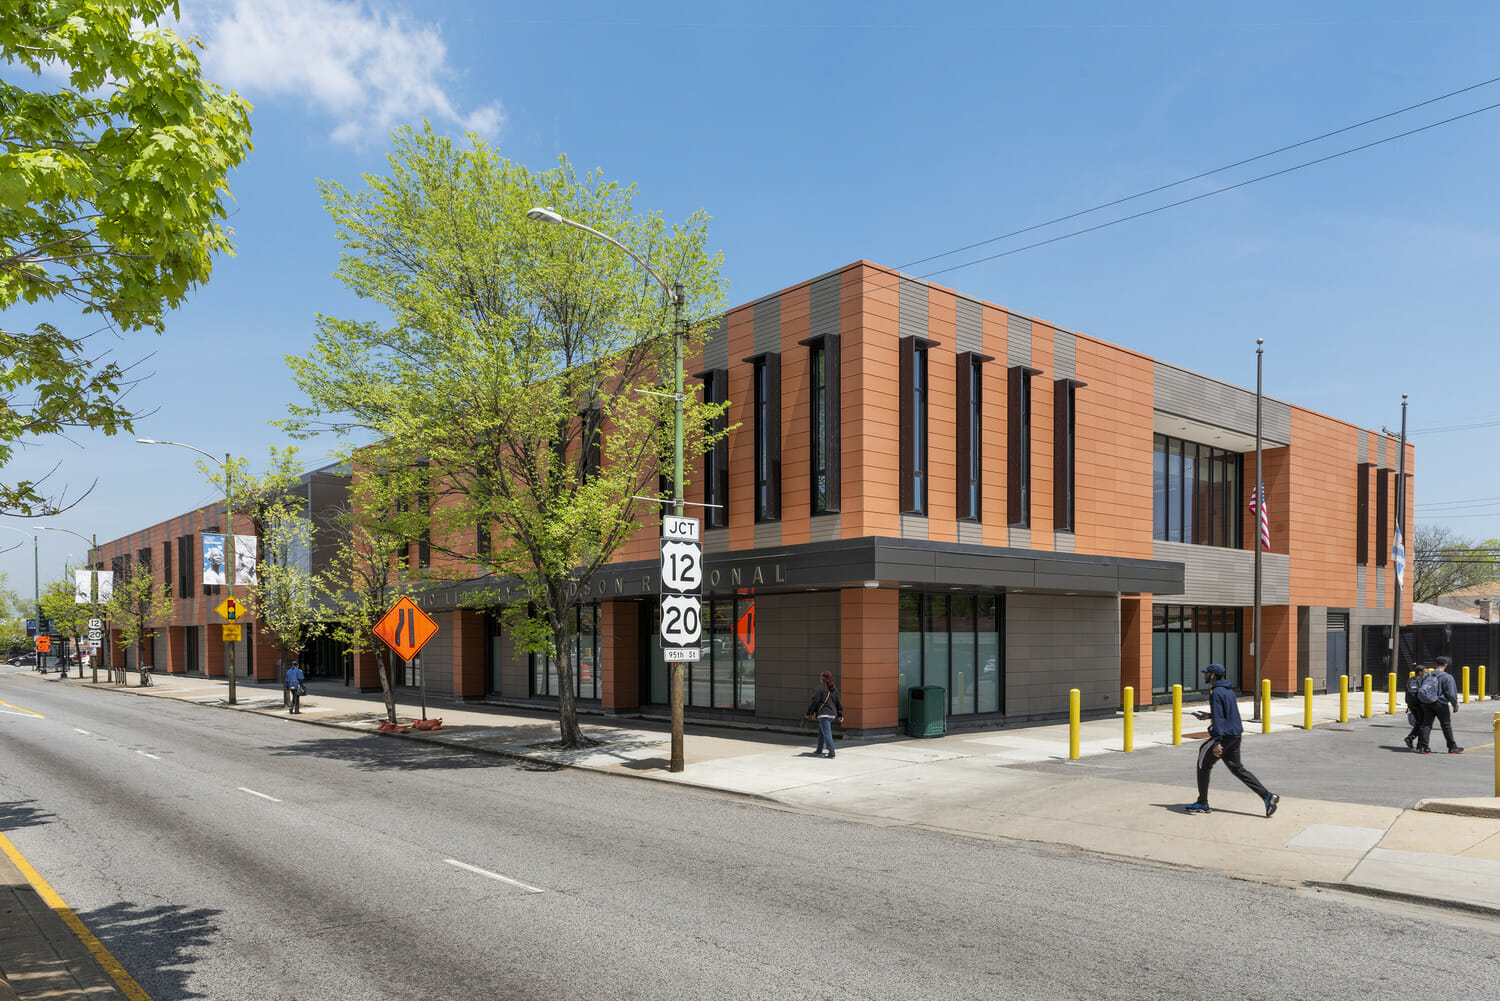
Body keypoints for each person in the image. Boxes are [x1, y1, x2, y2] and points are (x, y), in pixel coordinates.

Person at [1185, 663, 1279, 817]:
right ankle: (1267, 796)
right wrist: (1210, 715)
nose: (1205, 675)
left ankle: (1202, 803)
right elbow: (1226, 713)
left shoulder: (1216, 693)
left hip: (1224, 737)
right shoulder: (1228, 690)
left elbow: (1220, 719)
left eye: (1207, 673)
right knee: (1238, 769)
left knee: (1203, 764)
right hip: (1235, 736)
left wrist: (1217, 742)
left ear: (1212, 676)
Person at [1415, 655, 1462, 754]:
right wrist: (1455, 705)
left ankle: (1424, 747)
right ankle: (1452, 747)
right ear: (1446, 665)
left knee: (1427, 724)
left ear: (1435, 664)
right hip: (1441, 703)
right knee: (1446, 725)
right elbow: (1451, 693)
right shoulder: (1447, 677)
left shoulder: (1427, 675)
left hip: (1427, 702)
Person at [804, 671, 843, 758]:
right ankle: (819, 750)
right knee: (822, 732)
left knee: (827, 734)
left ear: (823, 678)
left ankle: (831, 752)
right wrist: (840, 715)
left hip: (823, 714)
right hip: (832, 714)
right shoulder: (834, 689)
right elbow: (838, 703)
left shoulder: (820, 688)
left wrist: (808, 713)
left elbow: (815, 701)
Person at [1403, 664, 1428, 749]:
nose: (1426, 674)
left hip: (1411, 704)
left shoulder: (1411, 680)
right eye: (1425, 672)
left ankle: (1416, 742)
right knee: (1422, 723)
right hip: (1420, 704)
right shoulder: (1422, 680)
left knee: (1419, 722)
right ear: (1420, 672)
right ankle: (1412, 738)